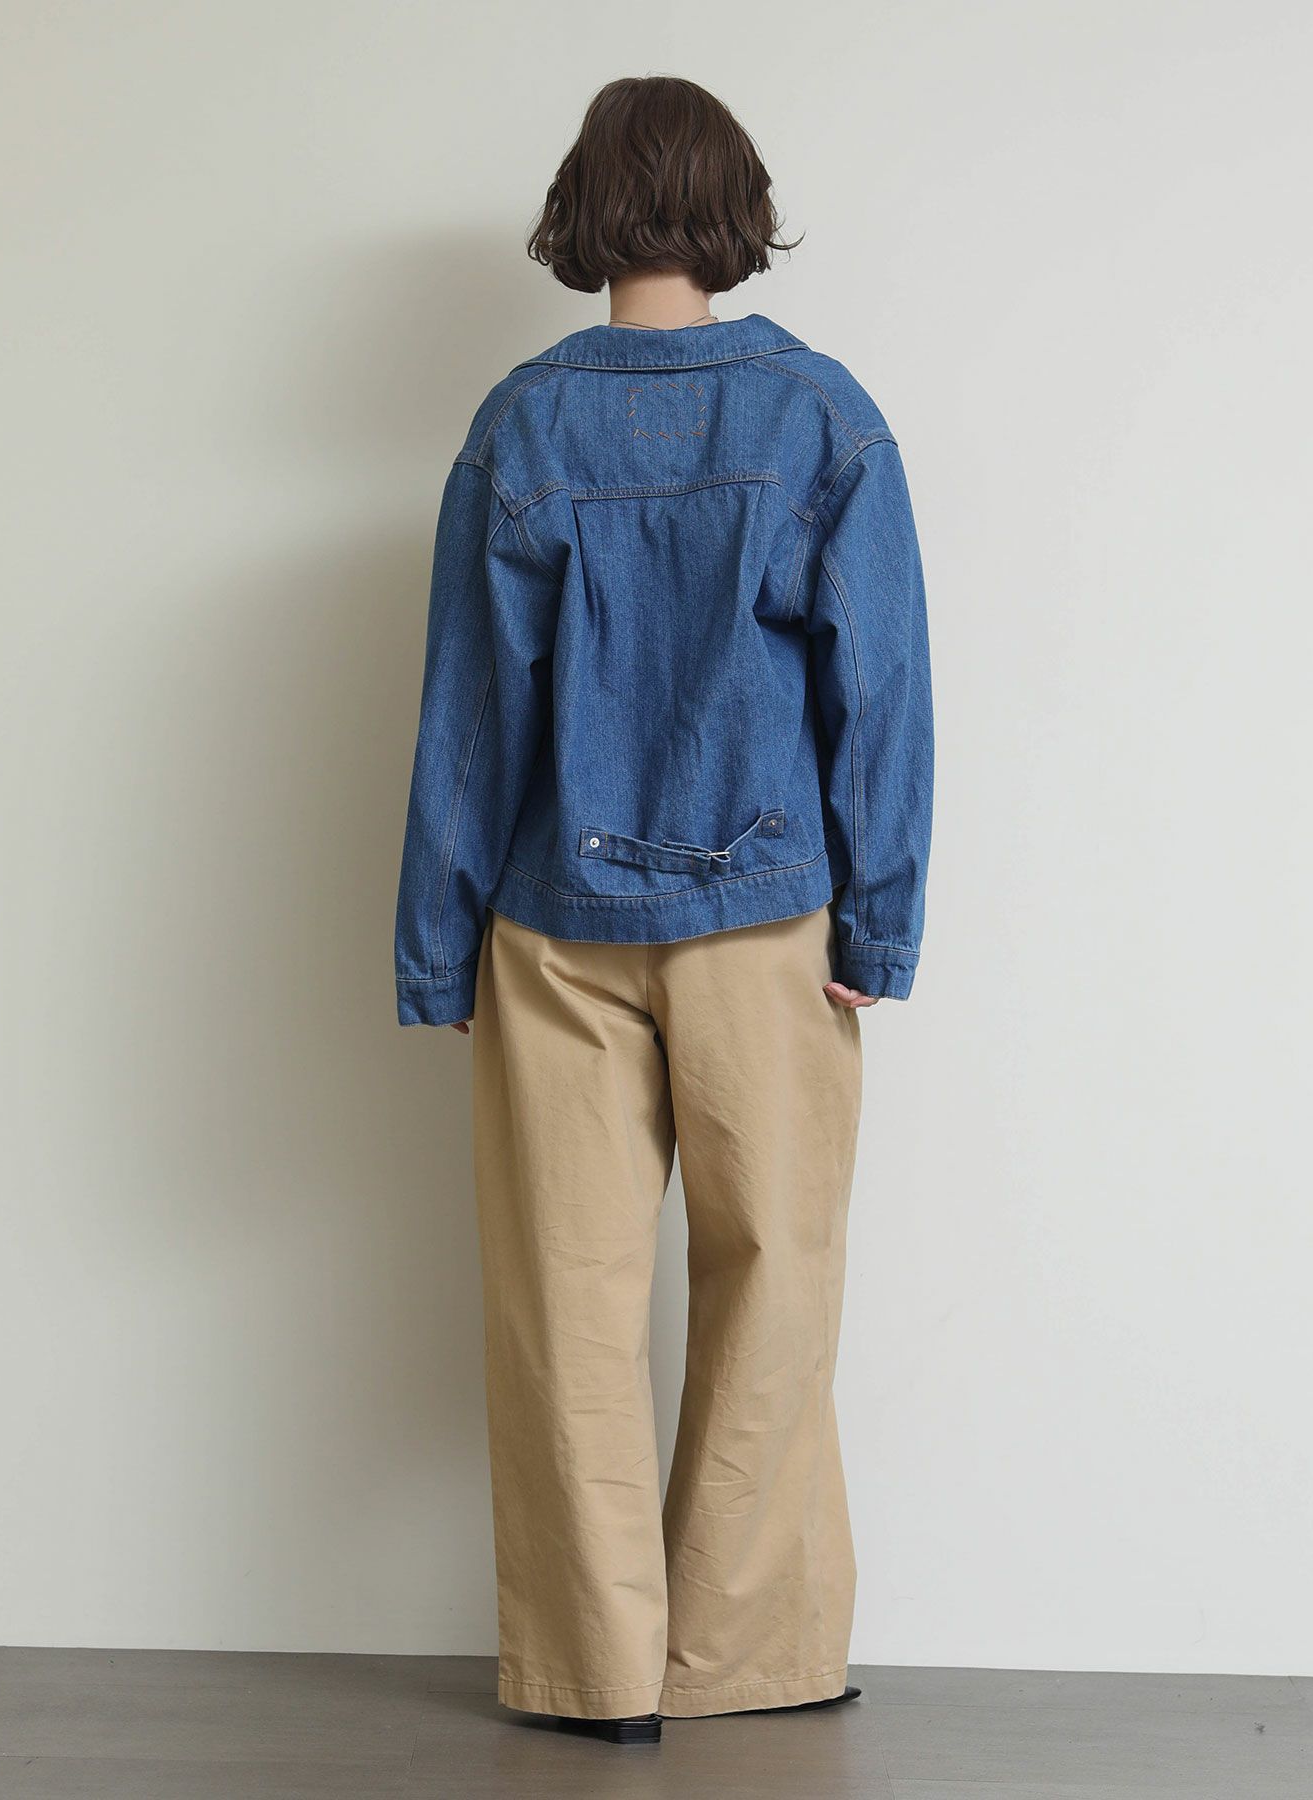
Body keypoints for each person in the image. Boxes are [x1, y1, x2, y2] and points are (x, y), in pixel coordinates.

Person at [393, 74, 933, 1746]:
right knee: (776, 1280)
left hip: (556, 927)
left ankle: (595, 1677)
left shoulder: (523, 425)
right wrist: (879, 923)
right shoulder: (821, 417)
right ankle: (745, 1659)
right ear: (735, 206)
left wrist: (440, 944)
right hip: (770, 921)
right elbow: (883, 692)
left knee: (563, 1301)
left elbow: (469, 712)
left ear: (584, 208)